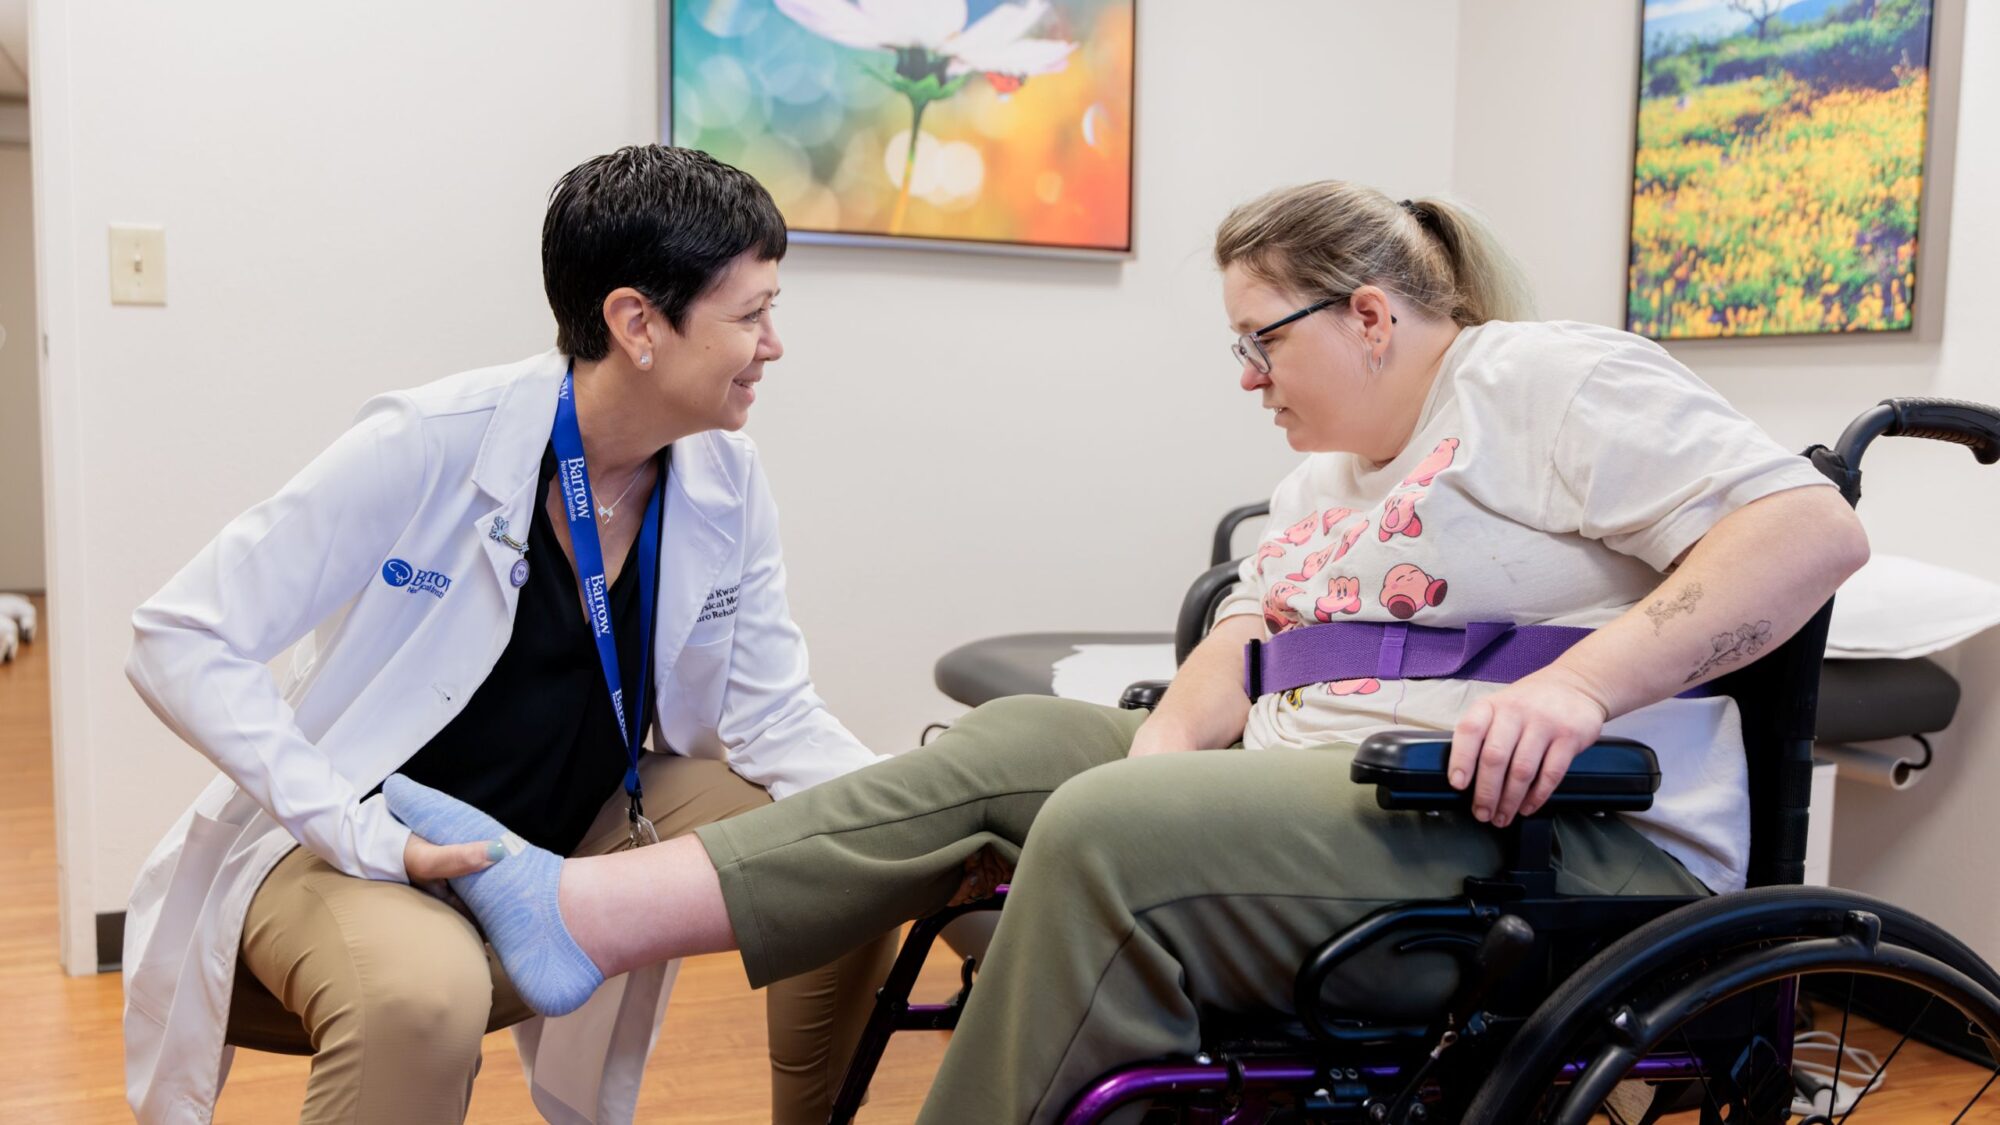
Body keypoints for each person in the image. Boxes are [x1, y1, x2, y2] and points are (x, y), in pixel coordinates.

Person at [381, 180, 1871, 1124]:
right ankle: (580, 908)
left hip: (1551, 840)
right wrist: (1211, 678)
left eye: (1259, 341)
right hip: (1363, 805)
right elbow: (1261, 614)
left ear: (1368, 314)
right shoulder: (1321, 478)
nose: (1245, 378)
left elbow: (1808, 535)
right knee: (1013, 750)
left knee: (1104, 824)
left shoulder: (1542, 378)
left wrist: (1576, 684)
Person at [121, 145, 898, 1125]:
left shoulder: (720, 481)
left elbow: (772, 712)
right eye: (751, 315)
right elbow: (177, 634)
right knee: (422, 997)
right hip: (368, 836)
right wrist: (348, 825)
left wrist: (900, 813)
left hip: (580, 815)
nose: (773, 344)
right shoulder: (432, 441)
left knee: (838, 848)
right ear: (636, 324)